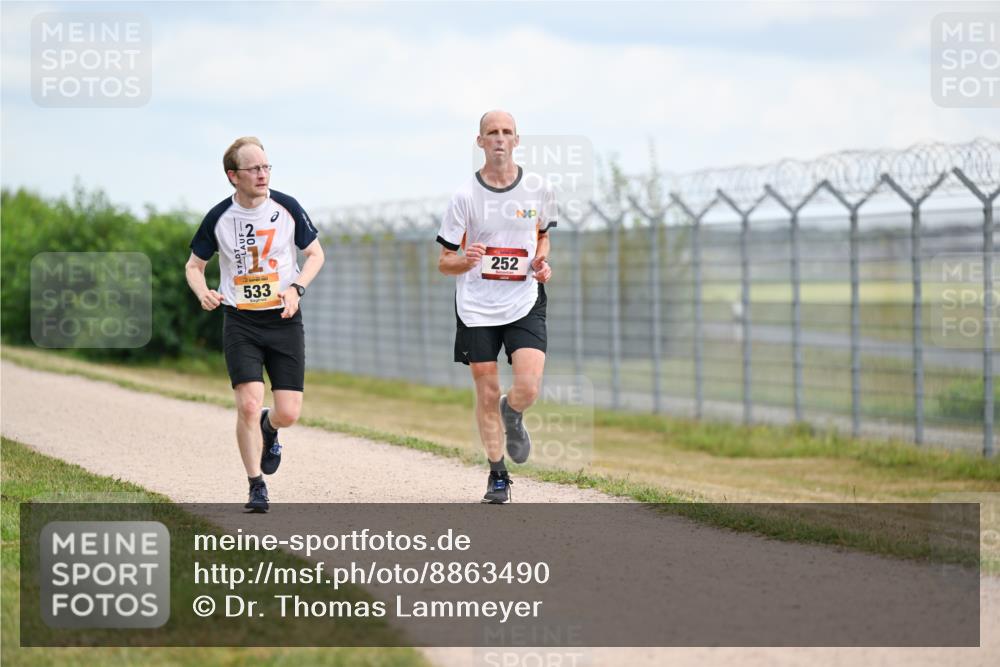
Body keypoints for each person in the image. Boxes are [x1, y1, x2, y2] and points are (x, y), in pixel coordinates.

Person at [185, 136, 324, 513]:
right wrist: (203, 292)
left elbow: (315, 254)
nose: (263, 175)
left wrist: (296, 288)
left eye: (266, 167)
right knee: (248, 403)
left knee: (289, 412)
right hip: (241, 320)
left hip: (283, 319)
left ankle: (271, 428)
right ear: (234, 176)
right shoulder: (219, 217)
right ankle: (255, 485)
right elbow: (194, 266)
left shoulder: (287, 207)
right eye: (254, 169)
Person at [436, 110, 555, 504]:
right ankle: (498, 474)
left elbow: (541, 237)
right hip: (476, 307)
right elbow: (443, 261)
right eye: (492, 133)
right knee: (486, 392)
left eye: (506, 132)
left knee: (528, 386)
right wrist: (466, 260)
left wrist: (540, 261)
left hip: (523, 299)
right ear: (480, 142)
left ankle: (514, 412)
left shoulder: (538, 188)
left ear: (517, 140)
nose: (500, 138)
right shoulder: (464, 197)